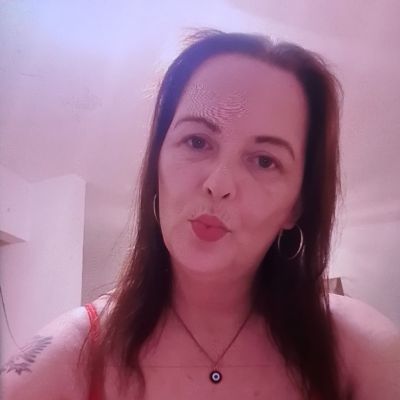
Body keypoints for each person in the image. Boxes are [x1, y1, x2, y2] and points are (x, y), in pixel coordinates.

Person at [2, 29, 400, 400]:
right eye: (196, 141)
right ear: (157, 165)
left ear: (296, 205)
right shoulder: (78, 351)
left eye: (264, 161)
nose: (218, 183)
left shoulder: (355, 349)